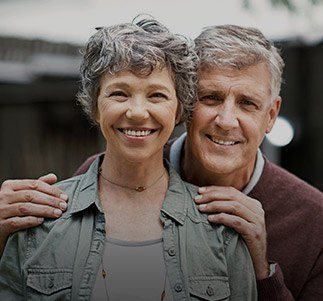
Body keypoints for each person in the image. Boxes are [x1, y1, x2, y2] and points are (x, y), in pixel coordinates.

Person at [1, 24, 322, 300]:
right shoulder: (88, 184)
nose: (226, 120)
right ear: (186, 106)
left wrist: (263, 272)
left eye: (247, 103)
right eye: (210, 98)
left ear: (271, 115)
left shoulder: (314, 222)